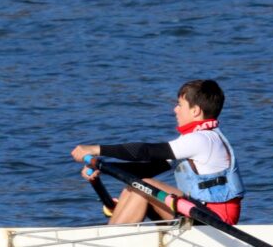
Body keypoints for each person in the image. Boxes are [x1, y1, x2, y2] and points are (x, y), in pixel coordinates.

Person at [71, 79, 244, 225]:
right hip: (199, 212)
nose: (175, 110)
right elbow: (146, 169)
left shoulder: (202, 139)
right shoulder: (196, 140)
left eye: (179, 104)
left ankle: (108, 242)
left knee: (144, 186)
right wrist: (102, 168)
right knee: (137, 184)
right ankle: (113, 232)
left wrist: (96, 149)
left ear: (195, 110)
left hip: (216, 221)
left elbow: (145, 151)